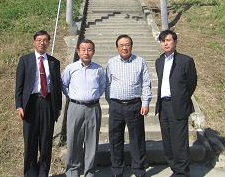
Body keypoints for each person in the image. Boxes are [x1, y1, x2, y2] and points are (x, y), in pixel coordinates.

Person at [15, 30, 62, 177]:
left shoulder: (54, 62)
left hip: (47, 103)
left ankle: (43, 173)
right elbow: (19, 86)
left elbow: (57, 86)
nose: (42, 43)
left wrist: (58, 107)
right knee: (30, 142)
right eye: (39, 40)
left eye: (45, 40)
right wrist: (19, 105)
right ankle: (30, 173)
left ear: (48, 42)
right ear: (34, 42)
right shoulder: (25, 60)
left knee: (46, 142)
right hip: (30, 105)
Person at [105, 34, 151, 177]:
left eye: (127, 45)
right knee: (115, 139)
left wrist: (145, 102)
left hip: (134, 105)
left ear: (131, 46)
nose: (124, 47)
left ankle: (138, 169)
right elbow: (107, 84)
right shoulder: (111, 62)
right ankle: (117, 169)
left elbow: (146, 83)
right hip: (116, 106)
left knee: (137, 139)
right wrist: (111, 102)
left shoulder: (140, 61)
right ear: (117, 47)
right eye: (121, 45)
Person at [155, 30, 197, 177]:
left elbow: (191, 83)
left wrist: (182, 98)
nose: (165, 43)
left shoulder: (186, 61)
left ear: (175, 42)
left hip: (178, 105)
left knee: (179, 142)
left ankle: (182, 173)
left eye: (168, 40)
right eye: (162, 41)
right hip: (163, 105)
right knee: (167, 141)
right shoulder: (159, 61)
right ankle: (175, 168)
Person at [62, 39, 106, 177]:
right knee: (74, 140)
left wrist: (92, 97)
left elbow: (103, 86)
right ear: (78, 51)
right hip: (76, 108)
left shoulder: (99, 69)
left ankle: (89, 172)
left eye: (89, 49)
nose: (86, 52)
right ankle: (73, 171)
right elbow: (64, 85)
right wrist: (74, 96)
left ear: (93, 51)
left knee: (92, 141)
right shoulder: (71, 68)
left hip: (93, 108)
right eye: (83, 49)